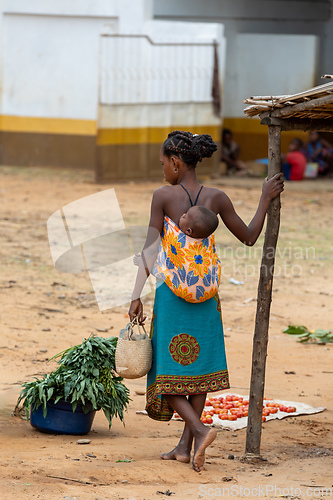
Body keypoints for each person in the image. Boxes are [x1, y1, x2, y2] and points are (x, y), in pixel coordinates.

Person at [128, 130, 284, 472]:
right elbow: (249, 236)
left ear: (175, 162)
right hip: (207, 298)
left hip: (171, 296)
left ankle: (199, 430)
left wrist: (136, 293)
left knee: (164, 370)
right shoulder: (217, 197)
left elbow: (150, 247)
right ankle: (184, 447)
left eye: (163, 164)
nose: (162, 171)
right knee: (200, 370)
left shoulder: (163, 196)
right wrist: (264, 198)